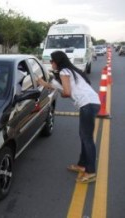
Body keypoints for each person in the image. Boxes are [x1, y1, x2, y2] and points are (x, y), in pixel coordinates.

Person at [37, 50, 100, 184]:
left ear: (57, 61)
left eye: (52, 60)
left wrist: (60, 92)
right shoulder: (72, 71)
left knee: (87, 138)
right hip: (92, 103)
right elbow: (63, 87)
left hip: (87, 104)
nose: (50, 63)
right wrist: (45, 84)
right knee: (84, 136)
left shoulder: (64, 72)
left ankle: (91, 172)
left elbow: (66, 92)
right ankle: (82, 164)